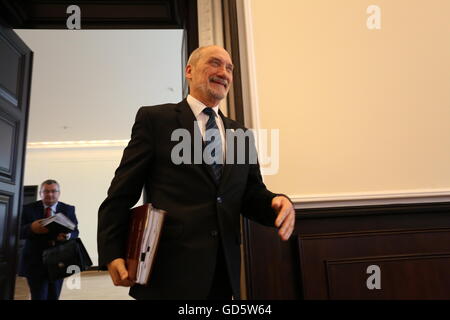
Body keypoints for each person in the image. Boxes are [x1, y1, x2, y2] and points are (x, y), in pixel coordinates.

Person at [97, 45, 295, 300]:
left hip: (222, 273)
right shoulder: (155, 119)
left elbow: (250, 194)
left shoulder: (241, 134)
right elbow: (122, 191)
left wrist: (276, 202)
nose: (224, 72)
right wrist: (112, 251)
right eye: (215, 63)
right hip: (168, 272)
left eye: (229, 68)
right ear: (189, 71)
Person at [19, 179, 79, 300]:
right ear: (40, 193)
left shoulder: (68, 209)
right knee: (38, 296)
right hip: (35, 261)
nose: (50, 194)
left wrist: (68, 236)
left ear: (59, 193)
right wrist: (31, 228)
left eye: (53, 191)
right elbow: (18, 231)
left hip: (59, 260)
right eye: (46, 191)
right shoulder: (27, 209)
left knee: (54, 296)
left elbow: (75, 231)